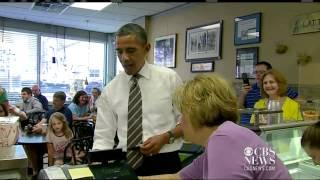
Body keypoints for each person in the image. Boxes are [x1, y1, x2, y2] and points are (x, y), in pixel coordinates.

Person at [142, 74, 291, 179]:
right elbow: (178, 177)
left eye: (183, 113)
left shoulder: (224, 140)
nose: (180, 121)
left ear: (197, 112)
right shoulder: (225, 135)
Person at [93, 23, 183, 176]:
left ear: (146, 48)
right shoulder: (110, 90)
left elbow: (188, 121)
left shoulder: (169, 79)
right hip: (125, 163)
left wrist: (166, 137)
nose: (124, 58)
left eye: (131, 50)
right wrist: (98, 168)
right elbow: (103, 135)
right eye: (119, 52)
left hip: (165, 162)